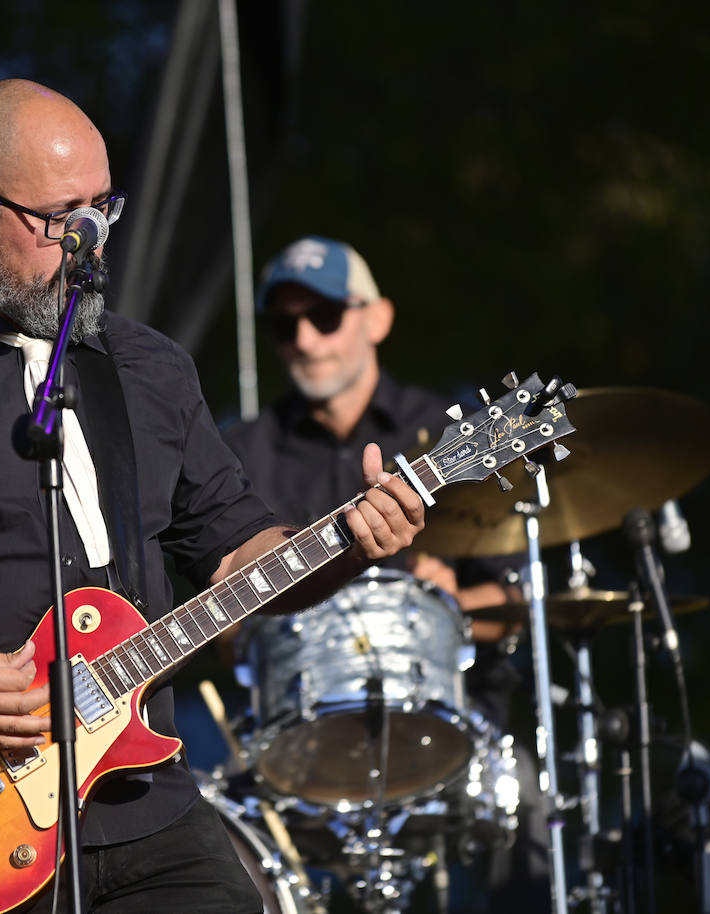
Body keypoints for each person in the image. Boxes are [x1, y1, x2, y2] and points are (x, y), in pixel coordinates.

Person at [0, 81, 426, 914]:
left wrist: (349, 547)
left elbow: (238, 554)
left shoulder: (150, 368)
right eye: (62, 219)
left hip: (146, 805)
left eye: (104, 210)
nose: (89, 244)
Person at [222, 236, 552, 912]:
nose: (306, 340)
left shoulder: (442, 431)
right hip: (293, 751)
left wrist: (453, 601)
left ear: (377, 318)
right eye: (285, 324)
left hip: (453, 736)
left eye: (326, 316)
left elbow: (524, 596)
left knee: (529, 808)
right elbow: (219, 614)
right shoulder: (240, 450)